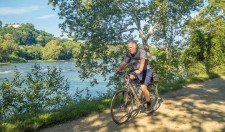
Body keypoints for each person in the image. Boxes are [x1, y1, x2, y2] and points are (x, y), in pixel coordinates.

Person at [115, 40, 152, 114]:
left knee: (143, 88)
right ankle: (135, 96)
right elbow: (125, 62)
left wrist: (140, 70)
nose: (129, 49)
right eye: (128, 47)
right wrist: (118, 68)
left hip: (146, 71)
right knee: (127, 77)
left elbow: (142, 61)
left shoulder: (141, 51)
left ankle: (148, 104)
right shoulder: (129, 53)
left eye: (131, 47)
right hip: (135, 70)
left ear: (135, 46)